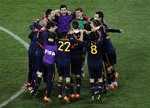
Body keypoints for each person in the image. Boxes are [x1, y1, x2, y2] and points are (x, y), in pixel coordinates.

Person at [75, 30, 103, 101]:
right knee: (100, 79)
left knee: (92, 79)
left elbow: (79, 42)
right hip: (99, 63)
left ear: (89, 38)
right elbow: (101, 35)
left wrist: (76, 35)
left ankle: (93, 95)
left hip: (91, 64)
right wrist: (97, 31)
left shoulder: (87, 43)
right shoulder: (99, 42)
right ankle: (100, 95)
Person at [68, 20, 84, 99]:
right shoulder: (82, 33)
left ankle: (71, 93)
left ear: (71, 26)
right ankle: (77, 93)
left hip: (71, 57)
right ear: (78, 26)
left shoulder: (69, 35)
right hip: (79, 57)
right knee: (78, 75)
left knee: (70, 74)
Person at [43, 32, 58, 102]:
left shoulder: (46, 43)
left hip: (44, 62)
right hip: (50, 64)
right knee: (50, 80)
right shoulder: (55, 47)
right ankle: (47, 96)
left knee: (46, 77)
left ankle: (46, 89)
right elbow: (57, 56)